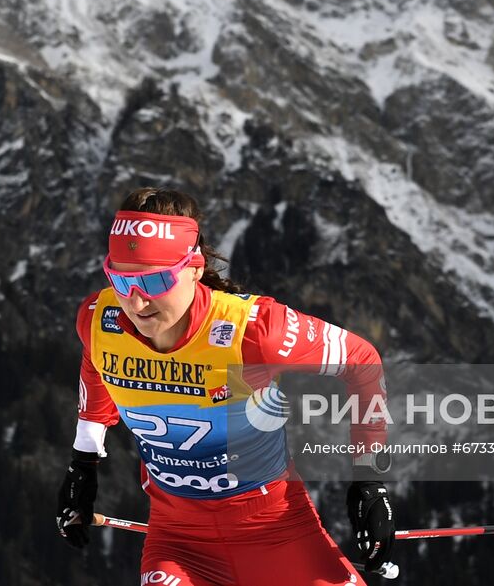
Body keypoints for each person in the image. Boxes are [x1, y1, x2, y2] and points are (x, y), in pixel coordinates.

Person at [55, 187, 395, 585]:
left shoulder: (252, 332)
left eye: (156, 280)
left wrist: (369, 481)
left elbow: (362, 360)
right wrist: (83, 463)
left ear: (194, 267)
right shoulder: (101, 320)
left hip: (277, 531)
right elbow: (96, 364)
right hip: (178, 542)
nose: (137, 301)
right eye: (121, 279)